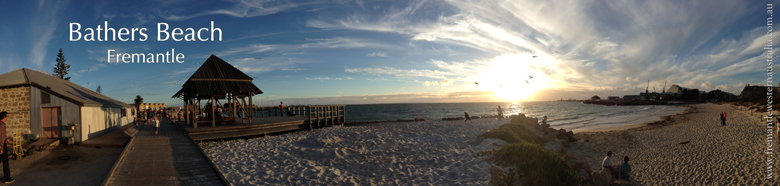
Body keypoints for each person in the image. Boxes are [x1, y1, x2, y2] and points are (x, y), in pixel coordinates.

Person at [0, 112, 14, 183]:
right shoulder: (1, 125)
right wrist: (1, 148)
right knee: (5, 162)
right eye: (7, 116)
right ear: (4, 117)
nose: (8, 117)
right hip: (1, 146)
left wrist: (6, 139)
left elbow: (2, 136)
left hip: (1, 144)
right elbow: (0, 137)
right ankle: (7, 178)